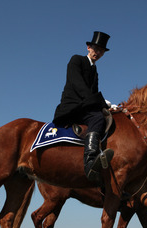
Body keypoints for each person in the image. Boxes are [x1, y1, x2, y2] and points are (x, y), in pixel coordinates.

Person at [53, 31, 113, 183]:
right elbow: (78, 85)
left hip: (85, 106)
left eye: (101, 51)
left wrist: (106, 106)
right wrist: (101, 103)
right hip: (72, 107)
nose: (98, 53)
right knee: (97, 117)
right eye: (95, 49)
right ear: (88, 47)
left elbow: (94, 93)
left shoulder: (95, 70)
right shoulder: (76, 60)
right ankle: (90, 162)